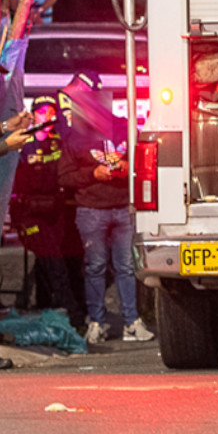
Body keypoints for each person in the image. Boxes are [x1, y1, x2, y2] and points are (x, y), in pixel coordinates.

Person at [58, 82, 154, 344]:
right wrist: (93, 173)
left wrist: (126, 166)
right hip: (91, 211)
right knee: (95, 267)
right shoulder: (74, 137)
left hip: (123, 207)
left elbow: (142, 160)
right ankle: (97, 322)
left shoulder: (124, 127)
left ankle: (131, 323)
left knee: (126, 267)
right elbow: (64, 177)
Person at [11, 97, 86, 326]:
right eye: (42, 111)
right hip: (31, 215)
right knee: (53, 262)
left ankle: (46, 310)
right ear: (34, 115)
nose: (48, 116)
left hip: (56, 212)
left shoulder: (59, 143)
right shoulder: (22, 144)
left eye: (51, 111)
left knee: (51, 262)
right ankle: (73, 318)